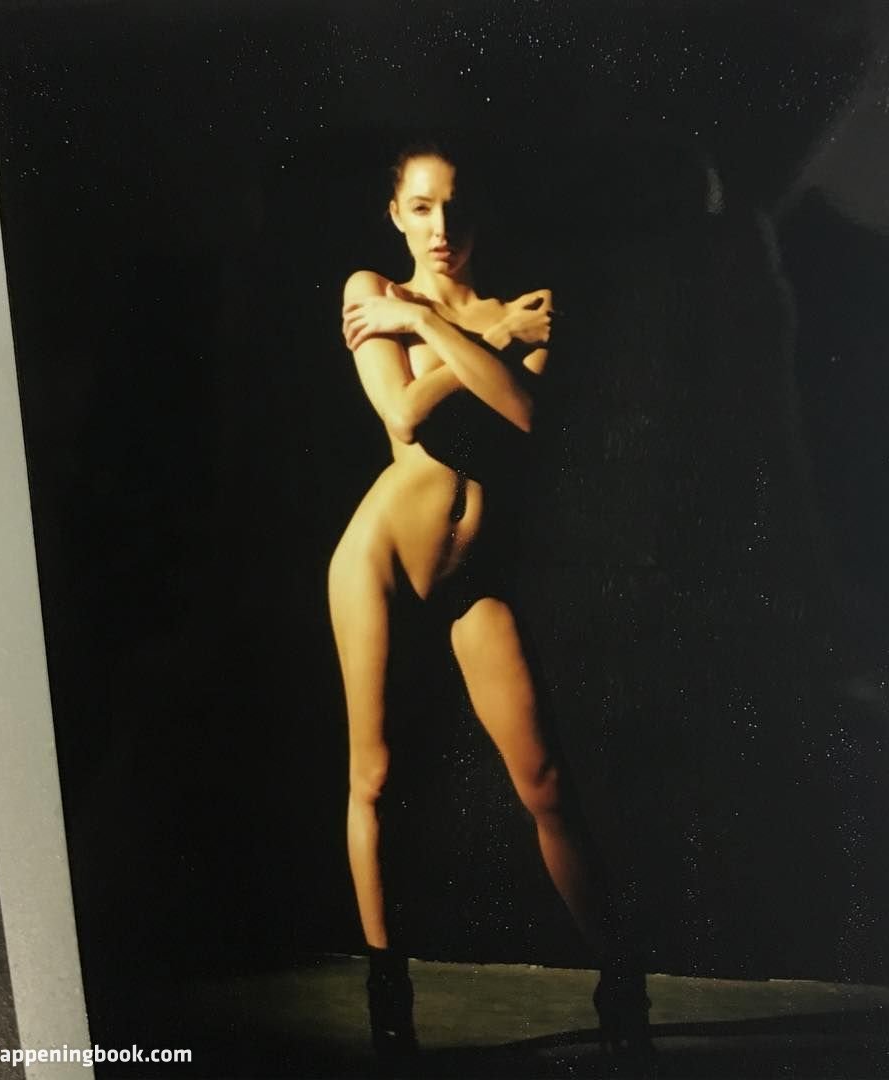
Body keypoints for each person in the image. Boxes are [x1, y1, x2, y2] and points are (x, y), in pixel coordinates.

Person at [329, 141, 653, 1071]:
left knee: (544, 780)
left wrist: (458, 330)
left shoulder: (525, 310)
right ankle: (390, 998)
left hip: (474, 577)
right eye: (422, 208)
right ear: (396, 215)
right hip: (381, 559)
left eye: (455, 208)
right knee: (375, 777)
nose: (441, 228)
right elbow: (403, 416)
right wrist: (462, 331)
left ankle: (619, 977)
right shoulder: (371, 291)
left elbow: (524, 413)